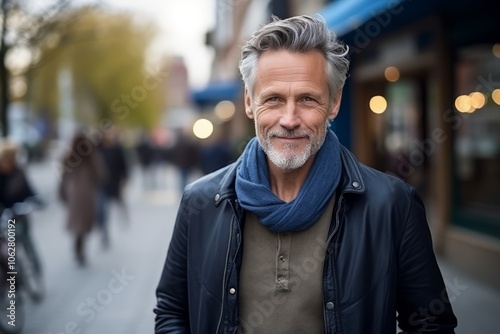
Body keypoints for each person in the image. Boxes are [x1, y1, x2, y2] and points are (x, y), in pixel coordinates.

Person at [154, 15, 457, 334]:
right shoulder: (201, 202)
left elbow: (431, 323)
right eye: (273, 99)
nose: (289, 119)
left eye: (307, 99)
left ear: (334, 102)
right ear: (248, 102)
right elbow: (173, 312)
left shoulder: (393, 204)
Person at [59, 132, 105, 266]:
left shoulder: (69, 157)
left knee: (78, 224)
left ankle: (78, 246)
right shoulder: (92, 158)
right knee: (84, 224)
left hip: (73, 195)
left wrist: (62, 193)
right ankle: (80, 248)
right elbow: (101, 176)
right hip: (88, 195)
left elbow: (63, 178)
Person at [96, 129, 129, 248]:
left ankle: (124, 217)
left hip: (115, 183)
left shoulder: (117, 149)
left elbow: (124, 165)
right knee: (102, 210)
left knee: (120, 203)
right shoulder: (97, 149)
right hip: (102, 185)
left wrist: (124, 179)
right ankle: (104, 232)